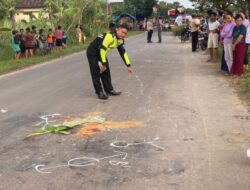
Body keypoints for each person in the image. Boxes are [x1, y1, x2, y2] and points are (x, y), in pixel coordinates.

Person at [86, 24, 133, 100]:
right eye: (122, 32)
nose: (124, 35)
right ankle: (99, 92)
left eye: (125, 33)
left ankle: (109, 90)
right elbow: (102, 49)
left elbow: (123, 52)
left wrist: (128, 65)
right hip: (93, 52)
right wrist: (103, 64)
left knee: (106, 71)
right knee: (96, 71)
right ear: (118, 29)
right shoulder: (110, 36)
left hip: (101, 52)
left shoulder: (120, 40)